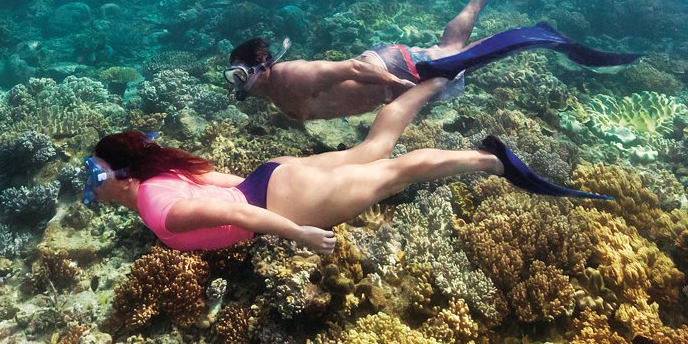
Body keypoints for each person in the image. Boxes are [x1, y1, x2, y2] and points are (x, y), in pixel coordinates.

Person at [83, 81, 612, 255]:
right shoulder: (160, 177)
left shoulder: (155, 207)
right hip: (272, 176)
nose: (91, 185)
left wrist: (301, 234)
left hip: (278, 201)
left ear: (121, 175)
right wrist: (280, 181)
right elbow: (224, 183)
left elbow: (238, 215)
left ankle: (493, 161)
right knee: (374, 148)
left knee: (395, 171)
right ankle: (432, 79)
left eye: (95, 174)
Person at [225, 0, 640, 120]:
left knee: (461, 59)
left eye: (240, 75)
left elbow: (351, 69)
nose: (236, 84)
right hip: (390, 76)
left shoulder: (292, 75)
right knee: (451, 48)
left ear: (261, 68)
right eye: (233, 78)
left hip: (391, 70)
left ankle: (537, 33)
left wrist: (402, 86)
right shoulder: (273, 93)